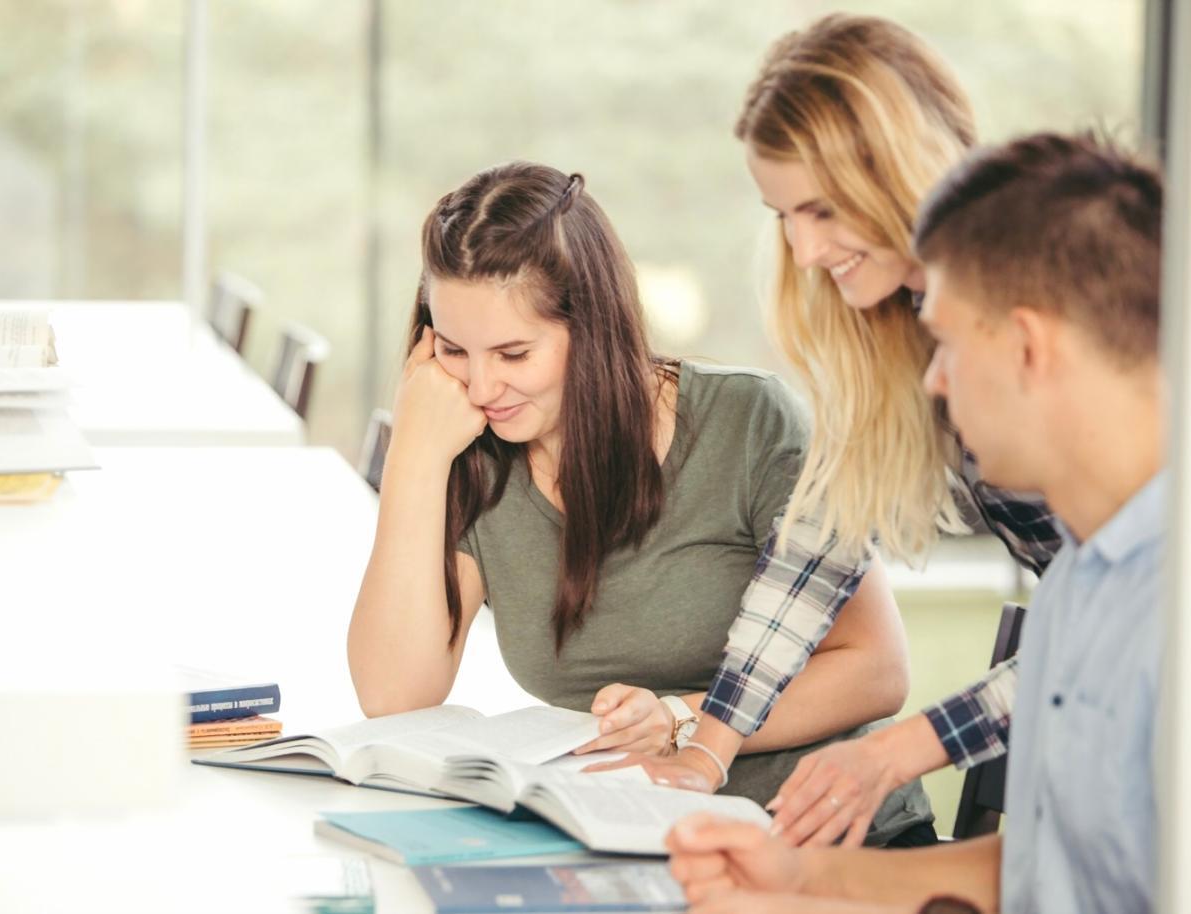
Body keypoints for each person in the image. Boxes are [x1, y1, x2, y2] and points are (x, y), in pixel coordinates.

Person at [632, 13, 1191, 850]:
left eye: (823, 209)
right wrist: (710, 746)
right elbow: (822, 544)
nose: (803, 252)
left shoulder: (1112, 291)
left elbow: (1172, 614)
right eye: (781, 217)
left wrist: (897, 753)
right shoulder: (895, 320)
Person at [345, 160, 936, 844]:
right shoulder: (476, 451)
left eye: (513, 353)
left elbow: (877, 669)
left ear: (591, 331)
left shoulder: (749, 423)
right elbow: (394, 697)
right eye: (453, 349)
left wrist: (681, 718)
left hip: (820, 836)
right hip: (629, 842)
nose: (480, 386)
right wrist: (416, 458)